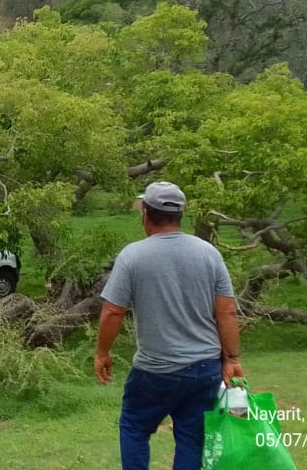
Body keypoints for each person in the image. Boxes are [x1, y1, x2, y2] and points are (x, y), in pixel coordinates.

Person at [95, 181, 244, 470]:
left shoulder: (132, 256)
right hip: (204, 369)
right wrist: (233, 358)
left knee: (134, 427)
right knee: (191, 440)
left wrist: (102, 352)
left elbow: (113, 312)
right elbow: (226, 311)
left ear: (146, 215)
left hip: (154, 371)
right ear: (180, 215)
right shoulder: (208, 253)